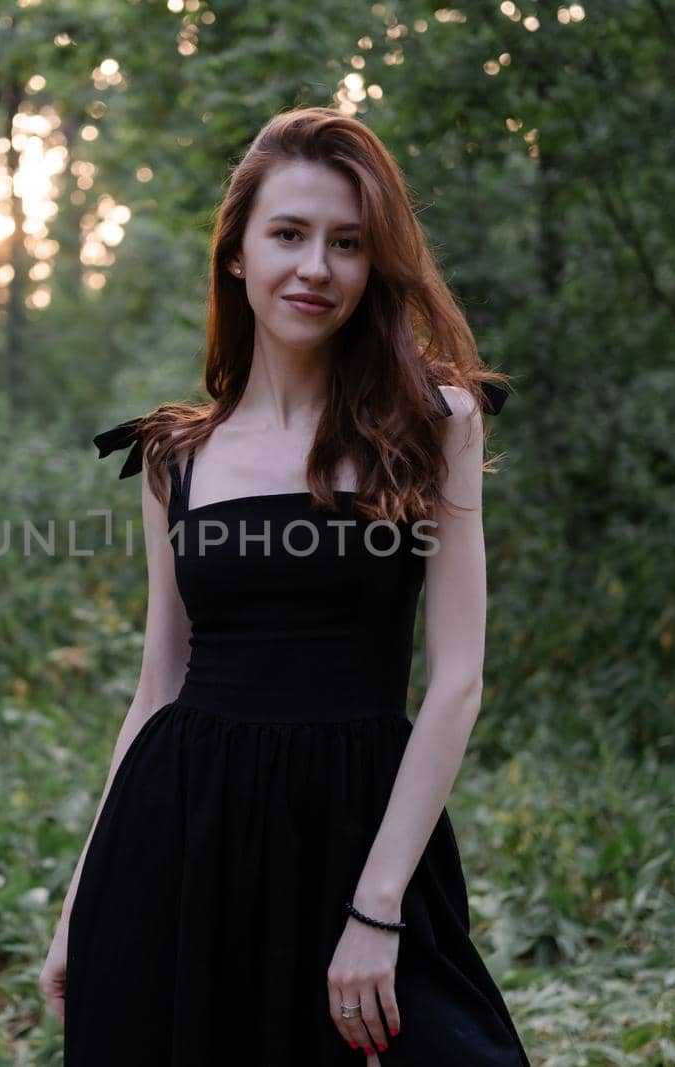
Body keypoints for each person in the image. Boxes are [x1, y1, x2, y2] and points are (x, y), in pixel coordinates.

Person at [41, 106, 532, 1067]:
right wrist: (80, 897)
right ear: (237, 255)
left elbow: (457, 681)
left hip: (359, 833)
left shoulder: (439, 423)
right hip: (183, 839)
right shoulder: (173, 455)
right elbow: (157, 686)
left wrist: (377, 908)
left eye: (347, 243)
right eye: (290, 235)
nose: (316, 267)